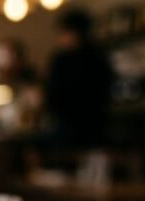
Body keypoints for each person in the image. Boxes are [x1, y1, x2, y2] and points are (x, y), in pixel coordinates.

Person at [45, 9, 114, 148]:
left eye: (64, 33)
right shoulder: (97, 56)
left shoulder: (89, 58)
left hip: (80, 124)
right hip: (88, 122)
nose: (62, 38)